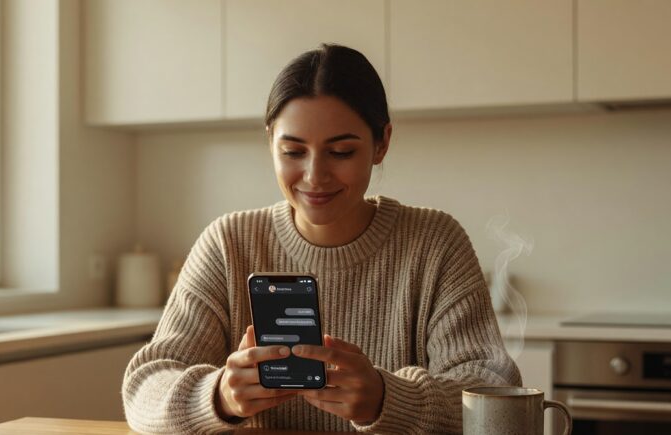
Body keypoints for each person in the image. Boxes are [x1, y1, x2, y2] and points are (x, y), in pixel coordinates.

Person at [122, 43, 521, 434]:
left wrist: (388, 398)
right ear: (270, 143)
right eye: (293, 151)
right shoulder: (229, 243)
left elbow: (493, 393)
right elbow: (145, 387)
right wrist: (219, 397)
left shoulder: (435, 242)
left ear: (381, 143)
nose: (315, 176)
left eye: (342, 152)